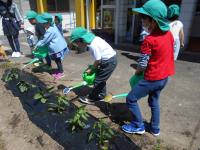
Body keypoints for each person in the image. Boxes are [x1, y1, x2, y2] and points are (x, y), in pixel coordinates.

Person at [122, 0, 175, 136]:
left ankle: (138, 125)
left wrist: (137, 72)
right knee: (153, 100)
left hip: (153, 78)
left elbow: (143, 63)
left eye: (144, 17)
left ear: (153, 21)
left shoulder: (149, 40)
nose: (142, 20)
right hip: (165, 77)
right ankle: (155, 128)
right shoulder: (168, 34)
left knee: (131, 99)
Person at [70, 27, 117, 104]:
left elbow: (98, 59)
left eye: (76, 43)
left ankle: (91, 98)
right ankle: (102, 94)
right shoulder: (95, 39)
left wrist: (91, 70)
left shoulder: (93, 45)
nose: (77, 45)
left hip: (109, 62)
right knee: (101, 78)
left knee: (98, 80)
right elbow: (100, 57)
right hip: (109, 60)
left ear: (81, 40)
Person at [35, 13, 69, 80]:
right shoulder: (53, 26)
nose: (42, 25)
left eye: (43, 23)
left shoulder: (50, 31)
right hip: (58, 47)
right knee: (57, 60)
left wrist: (37, 45)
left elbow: (44, 40)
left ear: (48, 23)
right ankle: (59, 70)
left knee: (57, 60)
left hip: (57, 48)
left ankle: (61, 72)